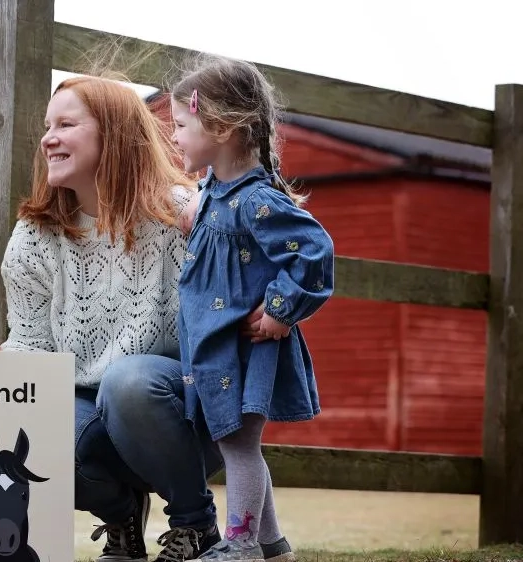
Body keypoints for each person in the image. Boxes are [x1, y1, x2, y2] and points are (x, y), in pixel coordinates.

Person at [0, 74, 264, 562]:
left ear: (112, 134)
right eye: (48, 125)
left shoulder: (180, 216)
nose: (49, 137)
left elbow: (264, 261)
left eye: (67, 124)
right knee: (18, 435)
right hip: (86, 411)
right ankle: (120, 518)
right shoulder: (34, 237)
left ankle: (195, 526)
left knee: (127, 381)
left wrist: (268, 302)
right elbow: (32, 347)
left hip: (184, 412)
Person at [169, 53, 336, 562]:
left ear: (219, 127)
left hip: (244, 346)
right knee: (238, 445)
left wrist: (281, 311)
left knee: (239, 445)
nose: (173, 137)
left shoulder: (255, 200)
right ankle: (272, 546)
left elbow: (316, 252)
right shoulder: (217, 192)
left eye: (180, 125)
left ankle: (238, 544)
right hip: (219, 346)